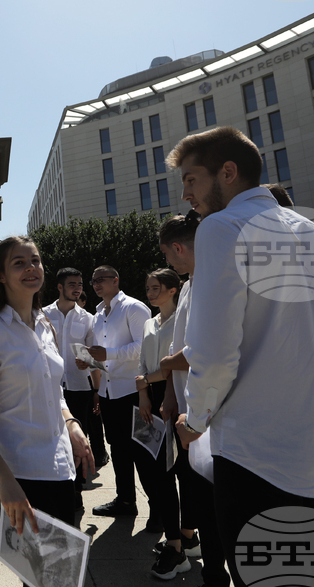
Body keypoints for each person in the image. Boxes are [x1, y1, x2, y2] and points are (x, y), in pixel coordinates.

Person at [165, 126, 314, 587]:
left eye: (192, 179)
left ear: (227, 173)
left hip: (257, 453)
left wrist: (195, 420)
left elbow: (212, 350)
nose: (186, 193)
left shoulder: (222, 227)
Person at [0, 236, 95, 551]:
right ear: (1, 276)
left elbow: (54, 390)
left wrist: (72, 424)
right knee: (42, 577)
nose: (31, 268)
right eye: (19, 263)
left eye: (35, 260)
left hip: (62, 470)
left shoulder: (46, 326)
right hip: (20, 474)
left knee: (60, 574)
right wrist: (4, 480)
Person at [155, 212, 228, 587]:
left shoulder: (217, 283)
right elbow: (177, 342)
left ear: (179, 247)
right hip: (185, 413)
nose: (169, 263)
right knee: (196, 493)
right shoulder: (186, 286)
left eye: (169, 255)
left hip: (212, 416)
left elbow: (206, 350)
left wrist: (168, 363)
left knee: (217, 502)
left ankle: (217, 573)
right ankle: (208, 563)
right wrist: (169, 391)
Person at [132, 268, 190, 579]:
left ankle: (179, 542)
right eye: (148, 287)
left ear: (172, 290)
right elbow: (142, 362)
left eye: (156, 288)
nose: (150, 293)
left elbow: (176, 366)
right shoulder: (148, 323)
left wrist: (149, 380)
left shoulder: (182, 321)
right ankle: (176, 536)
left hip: (175, 400)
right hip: (146, 401)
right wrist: (143, 393)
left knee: (173, 474)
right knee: (151, 469)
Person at [83, 266, 151, 519]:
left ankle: (158, 511)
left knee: (143, 453)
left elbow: (144, 347)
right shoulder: (98, 312)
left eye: (101, 279)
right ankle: (125, 501)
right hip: (109, 392)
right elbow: (102, 353)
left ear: (116, 280)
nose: (96, 284)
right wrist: (90, 361)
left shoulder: (133, 307)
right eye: (93, 280)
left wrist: (107, 354)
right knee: (118, 450)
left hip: (134, 391)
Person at [42, 267, 108, 508]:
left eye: (80, 284)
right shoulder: (42, 315)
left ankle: (76, 492)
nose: (78, 288)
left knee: (78, 441)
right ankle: (55, 488)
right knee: (52, 440)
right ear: (59, 287)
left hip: (79, 388)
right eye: (72, 284)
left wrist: (95, 387)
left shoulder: (88, 318)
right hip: (49, 388)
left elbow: (96, 358)